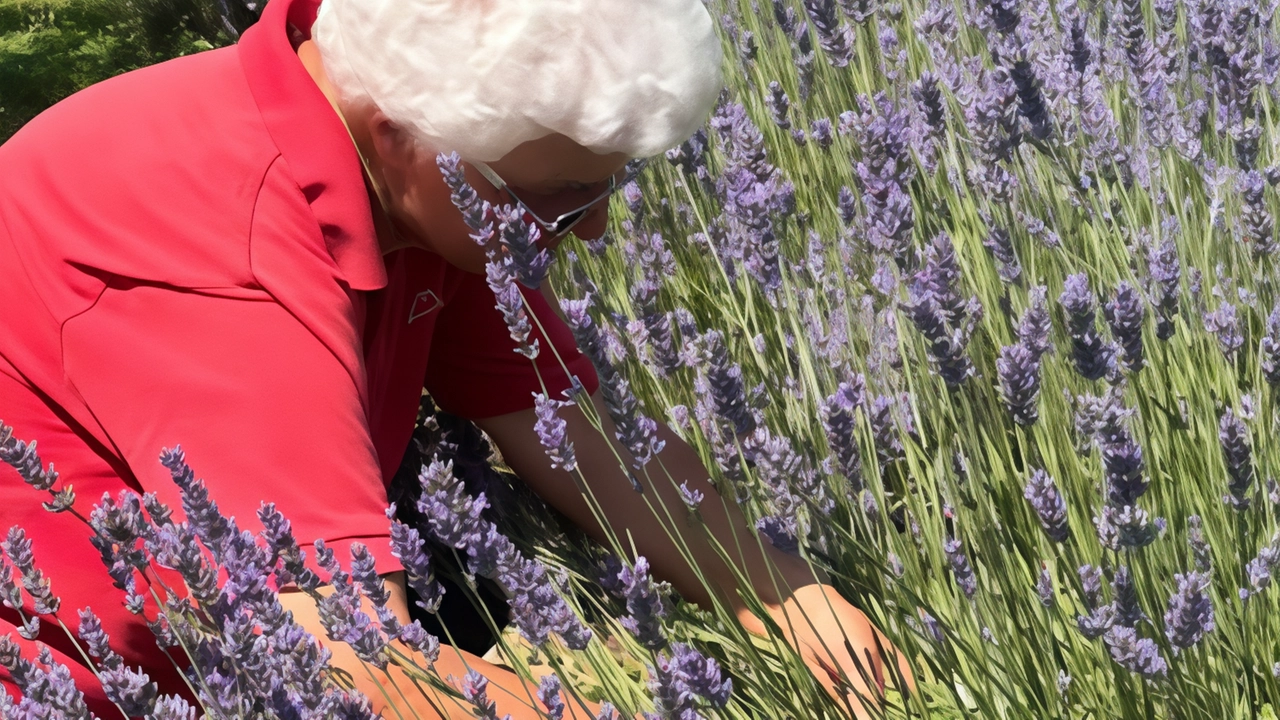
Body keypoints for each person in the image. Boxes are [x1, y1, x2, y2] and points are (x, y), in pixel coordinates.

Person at [0, 0, 913, 717]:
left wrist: (785, 594)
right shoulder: (223, 245)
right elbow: (354, 668)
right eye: (563, 198)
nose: (593, 231)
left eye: (607, 188)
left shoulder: (437, 180)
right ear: (403, 137)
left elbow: (571, 433)